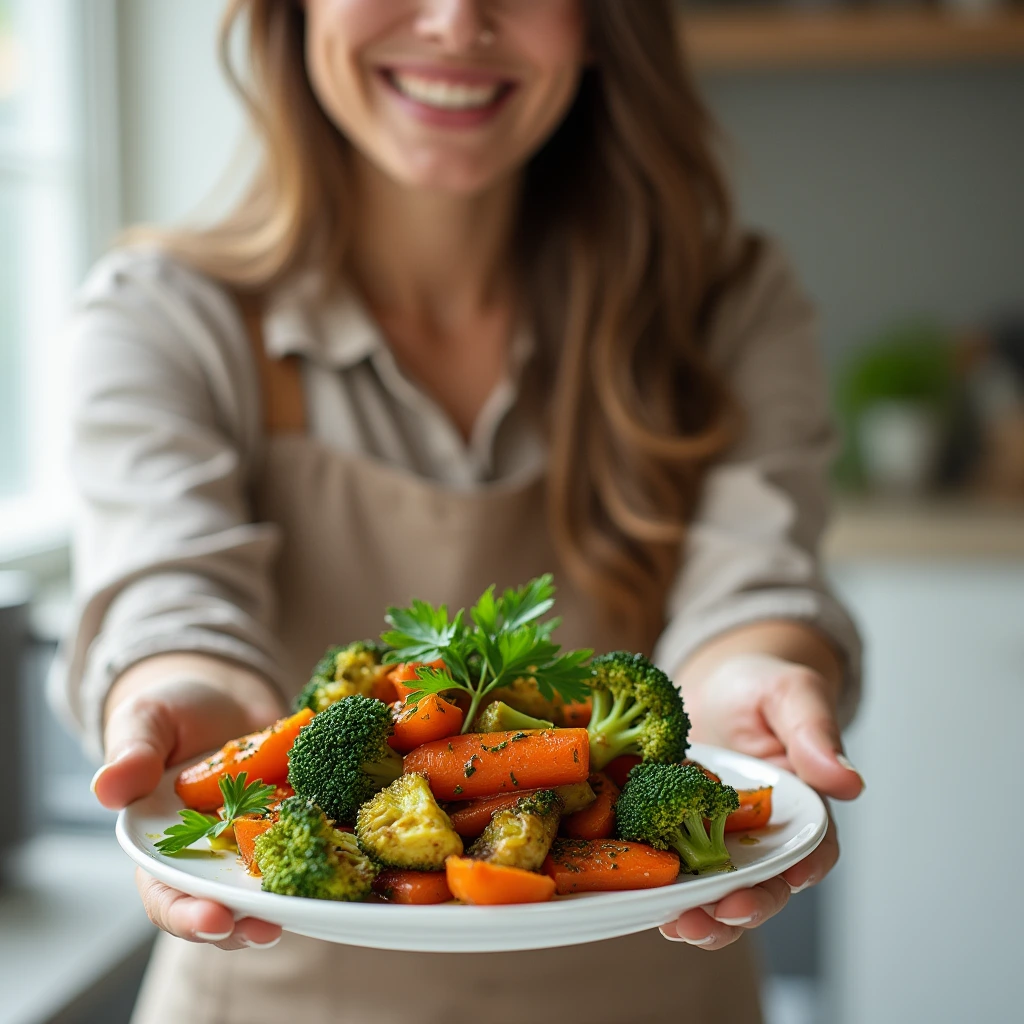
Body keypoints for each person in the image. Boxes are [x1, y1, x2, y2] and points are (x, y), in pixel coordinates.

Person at [55, 1, 865, 1021]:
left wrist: (756, 672)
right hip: (271, 990)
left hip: (655, 981)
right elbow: (169, 587)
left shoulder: (727, 304)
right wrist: (179, 689)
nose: (453, 20)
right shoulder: (166, 313)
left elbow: (756, 574)